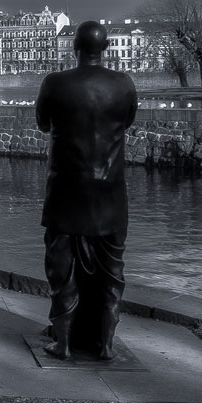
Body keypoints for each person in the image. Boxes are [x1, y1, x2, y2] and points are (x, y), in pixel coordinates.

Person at [35, 20, 137, 360]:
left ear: (75, 47)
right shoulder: (124, 84)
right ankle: (105, 344)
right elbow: (127, 121)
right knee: (112, 271)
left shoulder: (55, 82)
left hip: (66, 189)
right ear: (105, 48)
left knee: (61, 269)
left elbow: (43, 124)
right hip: (110, 192)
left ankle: (63, 342)